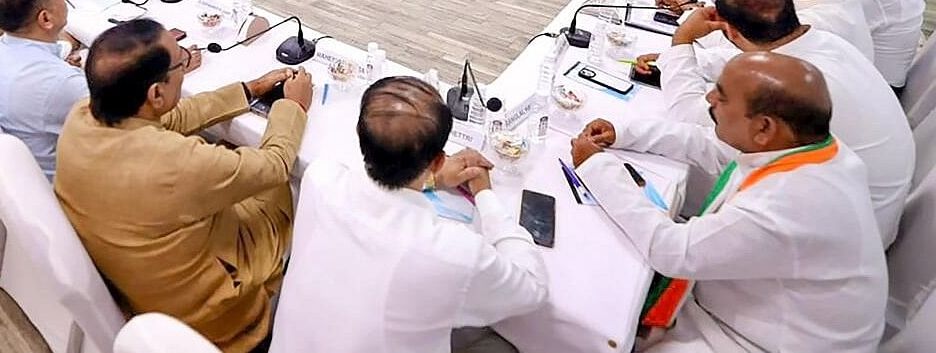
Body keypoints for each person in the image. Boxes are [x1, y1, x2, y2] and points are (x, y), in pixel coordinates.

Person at [571, 52, 887, 352]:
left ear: (764, 126)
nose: (709, 99)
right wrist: (625, 133)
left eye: (721, 96)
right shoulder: (811, 150)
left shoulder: (788, 204)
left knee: (587, 310)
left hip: (751, 341)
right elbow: (710, 144)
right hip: (743, 307)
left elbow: (672, 251)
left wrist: (597, 168)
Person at [54, 19, 312, 351]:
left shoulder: (82, 117)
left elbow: (169, 119)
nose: (187, 63)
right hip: (217, 321)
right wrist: (293, 105)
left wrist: (248, 90)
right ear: (156, 92)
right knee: (281, 182)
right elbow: (274, 165)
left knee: (228, 154)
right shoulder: (174, 163)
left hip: (143, 288)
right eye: (183, 62)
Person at [635, 0, 913, 244]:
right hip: (857, 209)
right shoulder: (823, 42)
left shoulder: (788, 87)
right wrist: (681, 59)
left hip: (824, 234)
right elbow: (758, 61)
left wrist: (682, 42)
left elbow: (690, 117)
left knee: (658, 167)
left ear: (728, 29)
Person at [271, 77, 548, 351]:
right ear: (440, 161)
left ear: (357, 132)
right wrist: (485, 196)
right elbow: (532, 289)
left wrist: (432, 181)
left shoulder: (320, 179)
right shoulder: (452, 252)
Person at [0, 0, 87, 180]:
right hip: (66, 186)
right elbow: (124, 121)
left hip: (19, 177)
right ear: (45, 19)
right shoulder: (62, 83)